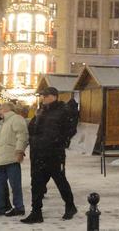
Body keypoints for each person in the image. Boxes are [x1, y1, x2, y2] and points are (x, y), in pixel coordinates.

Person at [22, 87, 77, 224]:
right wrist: (33, 139)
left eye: (45, 96)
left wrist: (58, 141)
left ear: (54, 96)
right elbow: (33, 127)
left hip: (54, 152)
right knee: (36, 183)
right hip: (37, 152)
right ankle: (36, 212)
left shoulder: (63, 110)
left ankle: (70, 206)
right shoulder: (41, 110)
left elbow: (70, 130)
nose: (43, 98)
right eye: (42, 95)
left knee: (60, 180)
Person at [0, 102, 28, 217]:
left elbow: (22, 135)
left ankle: (19, 208)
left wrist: (19, 151)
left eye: (1, 108)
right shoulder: (1, 124)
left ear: (8, 109)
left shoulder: (16, 119)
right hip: (0, 160)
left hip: (12, 158)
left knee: (15, 185)